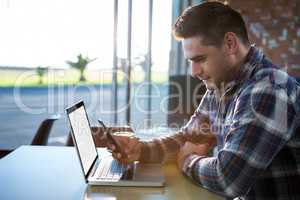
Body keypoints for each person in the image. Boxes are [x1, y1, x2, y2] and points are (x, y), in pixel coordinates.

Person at [104, 2, 300, 199]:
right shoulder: (222, 82)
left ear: (230, 43)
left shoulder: (268, 89)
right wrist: (141, 150)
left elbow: (227, 180)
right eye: (191, 61)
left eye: (200, 59)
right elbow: (186, 138)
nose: (194, 72)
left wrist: (188, 160)